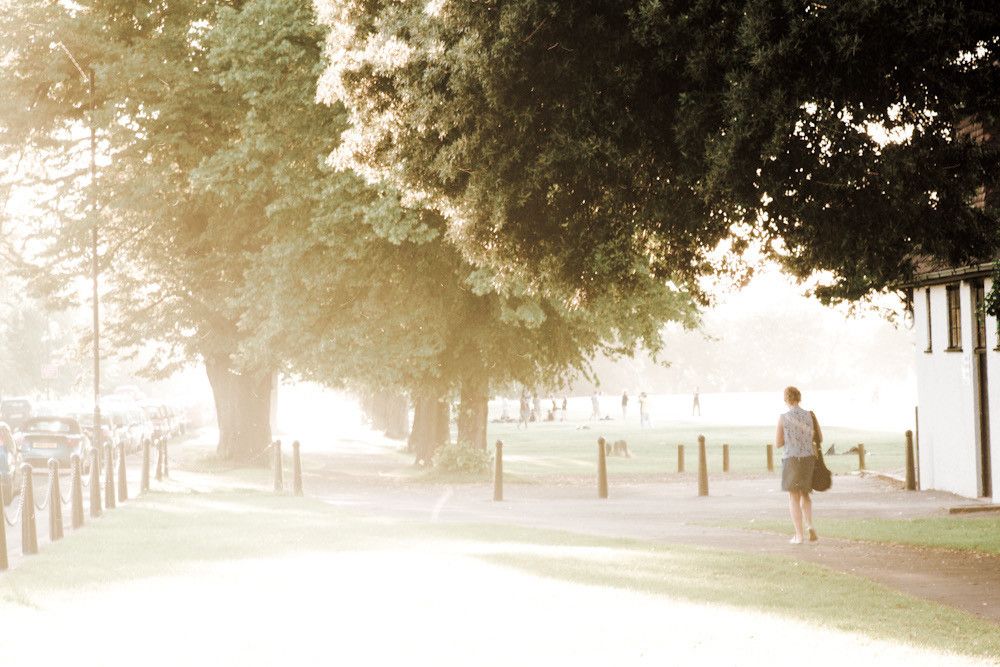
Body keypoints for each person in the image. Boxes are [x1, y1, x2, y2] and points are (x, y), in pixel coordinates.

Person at [775, 385, 821, 545]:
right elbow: (817, 437)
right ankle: (810, 525)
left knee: (793, 497)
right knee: (806, 495)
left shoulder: (783, 418)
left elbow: (778, 443)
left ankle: (799, 536)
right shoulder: (809, 415)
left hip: (791, 459)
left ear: (786, 399)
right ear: (799, 398)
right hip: (808, 458)